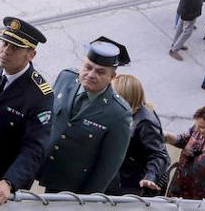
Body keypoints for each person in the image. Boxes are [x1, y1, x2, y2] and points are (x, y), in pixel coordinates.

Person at [0, 17, 54, 208]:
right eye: (5, 43)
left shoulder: (39, 95)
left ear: (31, 55)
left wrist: (9, 182)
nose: (6, 51)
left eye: (15, 48)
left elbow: (34, 148)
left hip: (10, 185)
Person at [38, 37, 134, 195]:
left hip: (68, 186)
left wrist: (86, 200)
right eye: (88, 67)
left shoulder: (118, 113)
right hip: (37, 167)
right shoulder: (66, 77)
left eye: (100, 72)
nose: (91, 74)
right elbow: (46, 118)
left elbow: (107, 166)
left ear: (112, 77)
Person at [106, 75, 169, 196]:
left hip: (137, 182)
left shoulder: (145, 122)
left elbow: (159, 154)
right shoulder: (127, 113)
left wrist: (150, 177)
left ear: (124, 96)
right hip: (125, 174)